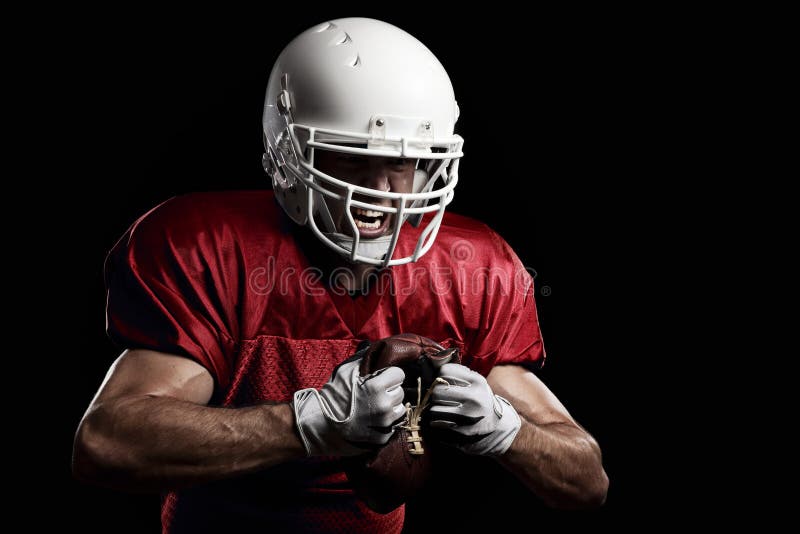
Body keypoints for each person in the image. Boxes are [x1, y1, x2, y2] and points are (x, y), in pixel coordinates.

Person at [72, 17, 608, 533]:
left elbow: (586, 481)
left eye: (405, 162)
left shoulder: (471, 265)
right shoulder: (209, 246)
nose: (381, 190)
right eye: (348, 157)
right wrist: (308, 424)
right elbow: (106, 443)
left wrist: (506, 431)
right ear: (286, 152)